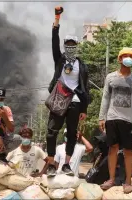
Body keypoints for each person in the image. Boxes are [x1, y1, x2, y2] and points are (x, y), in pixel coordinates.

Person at [46, 6, 90, 177]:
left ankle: (66, 165)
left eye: (73, 44)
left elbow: (85, 88)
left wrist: (84, 109)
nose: (70, 47)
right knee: (51, 132)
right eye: (68, 44)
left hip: (75, 102)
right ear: (65, 46)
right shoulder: (60, 60)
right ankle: (50, 163)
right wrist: (57, 19)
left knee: (72, 133)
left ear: (77, 46)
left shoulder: (83, 66)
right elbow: (53, 40)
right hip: (59, 99)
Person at [98, 47, 132, 193]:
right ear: (119, 59)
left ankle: (128, 181)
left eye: (131, 56)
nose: (128, 58)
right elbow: (105, 97)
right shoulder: (110, 77)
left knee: (128, 151)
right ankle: (111, 179)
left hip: (129, 119)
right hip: (112, 117)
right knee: (112, 148)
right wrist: (102, 117)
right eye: (125, 56)